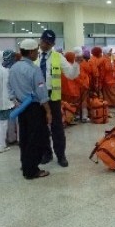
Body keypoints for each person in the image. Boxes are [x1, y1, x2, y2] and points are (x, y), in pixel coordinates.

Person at [9, 39, 51, 179]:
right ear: (31, 51)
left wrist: (16, 101)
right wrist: (48, 111)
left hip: (22, 107)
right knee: (37, 139)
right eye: (36, 51)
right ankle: (32, 170)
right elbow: (41, 91)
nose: (37, 53)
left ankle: (25, 164)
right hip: (34, 107)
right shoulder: (34, 69)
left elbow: (9, 89)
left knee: (25, 137)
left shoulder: (14, 68)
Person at [37, 30, 79, 167]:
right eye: (43, 41)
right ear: (40, 40)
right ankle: (46, 153)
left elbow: (71, 75)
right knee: (41, 128)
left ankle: (61, 155)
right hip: (37, 99)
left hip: (53, 98)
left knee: (57, 128)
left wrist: (77, 64)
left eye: (48, 43)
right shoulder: (34, 56)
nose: (44, 45)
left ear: (53, 44)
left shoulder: (58, 57)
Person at [2, 50, 19, 145]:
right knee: (18, 118)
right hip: (16, 95)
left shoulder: (1, 67)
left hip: (5, 97)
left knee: (10, 118)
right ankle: (20, 138)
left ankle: (11, 138)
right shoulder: (16, 67)